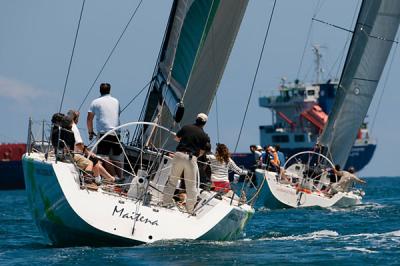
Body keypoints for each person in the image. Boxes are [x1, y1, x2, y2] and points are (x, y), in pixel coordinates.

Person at [162, 113, 210, 214]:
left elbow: (176, 138)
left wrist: (183, 140)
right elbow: (202, 151)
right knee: (191, 186)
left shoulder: (186, 127)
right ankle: (189, 210)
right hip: (191, 158)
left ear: (196, 119)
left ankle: (165, 203)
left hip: (179, 155)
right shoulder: (204, 136)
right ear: (204, 123)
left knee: (172, 181)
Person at [67, 110, 115, 184]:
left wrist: (87, 152)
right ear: (76, 119)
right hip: (74, 153)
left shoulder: (66, 127)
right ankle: (98, 180)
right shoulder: (74, 128)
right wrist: (87, 152)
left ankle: (109, 178)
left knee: (93, 158)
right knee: (94, 160)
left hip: (71, 151)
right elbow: (79, 145)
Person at [87, 83, 123, 179]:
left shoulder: (95, 102)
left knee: (102, 157)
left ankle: (115, 177)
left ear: (100, 90)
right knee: (116, 157)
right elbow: (117, 114)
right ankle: (121, 177)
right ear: (109, 90)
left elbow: (89, 119)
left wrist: (90, 132)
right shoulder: (116, 101)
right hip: (116, 133)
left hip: (104, 134)